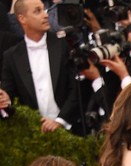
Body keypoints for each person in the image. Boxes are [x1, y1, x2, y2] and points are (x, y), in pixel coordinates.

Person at [1, 0, 78, 132]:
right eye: (37, 11)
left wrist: (60, 121)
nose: (45, 15)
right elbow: (10, 99)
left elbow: (76, 89)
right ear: (22, 18)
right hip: (34, 137)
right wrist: (5, 100)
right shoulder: (11, 56)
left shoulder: (63, 45)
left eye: (44, 9)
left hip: (70, 129)